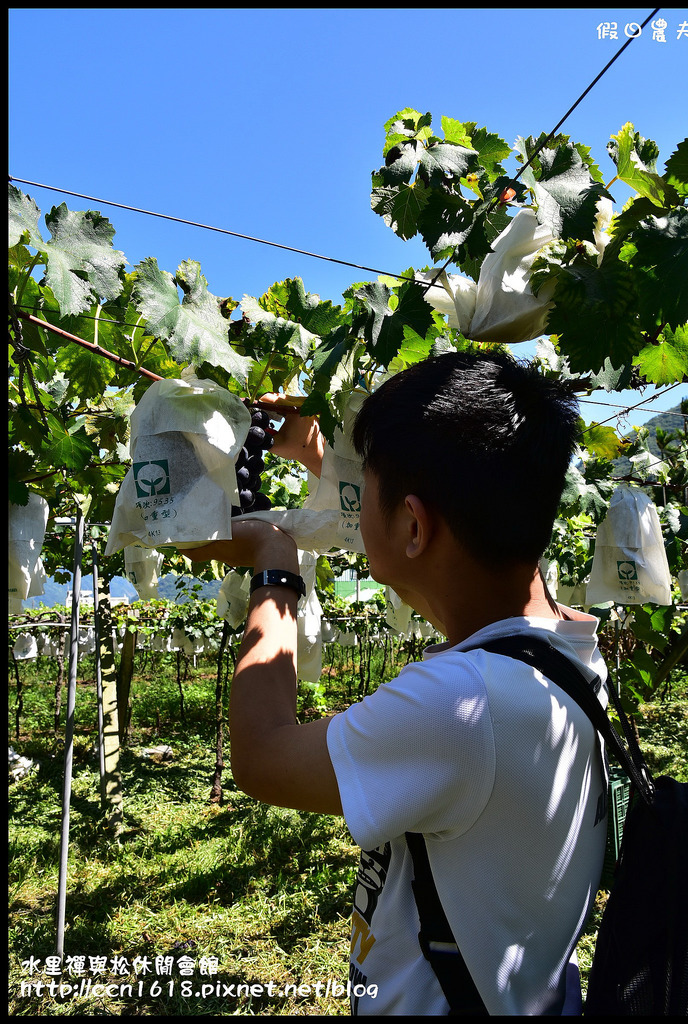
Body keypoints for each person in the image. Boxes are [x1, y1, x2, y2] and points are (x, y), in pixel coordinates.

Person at [184, 352, 609, 1015]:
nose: (353, 500)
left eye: (365, 488)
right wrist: (305, 446)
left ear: (412, 524)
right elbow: (444, 529)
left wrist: (274, 567)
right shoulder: (564, 645)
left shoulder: (461, 705)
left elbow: (261, 758)